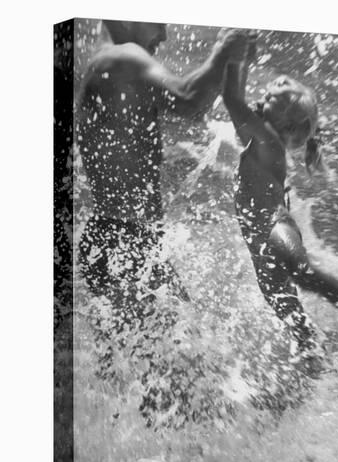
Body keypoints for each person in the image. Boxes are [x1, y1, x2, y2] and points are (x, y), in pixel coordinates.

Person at [77, 21, 249, 324]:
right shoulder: (125, 58)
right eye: (158, 22)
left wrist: (233, 61)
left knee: (136, 364)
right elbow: (189, 101)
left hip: (116, 240)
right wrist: (223, 51)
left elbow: (196, 111)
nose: (164, 35)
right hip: (124, 244)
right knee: (185, 357)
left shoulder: (106, 59)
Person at [222, 52, 338, 356]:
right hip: (259, 242)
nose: (260, 99)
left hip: (274, 226)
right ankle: (316, 359)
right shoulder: (263, 139)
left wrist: (236, 55)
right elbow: (237, 101)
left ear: (288, 127)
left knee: (302, 272)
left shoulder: (267, 139)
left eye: (268, 100)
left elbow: (232, 99)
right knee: (289, 312)